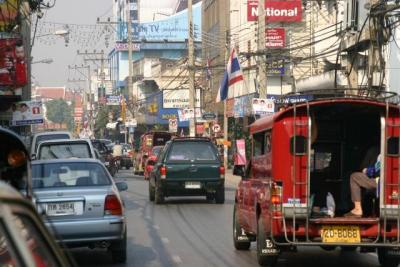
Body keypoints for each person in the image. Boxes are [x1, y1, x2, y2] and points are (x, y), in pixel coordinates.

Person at [345, 146, 380, 217]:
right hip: (388, 183)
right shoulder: (393, 149)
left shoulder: (374, 150)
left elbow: (366, 168)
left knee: (354, 177)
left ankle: (357, 209)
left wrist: (367, 170)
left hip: (379, 181)